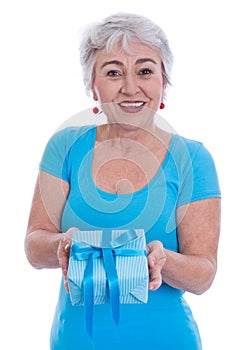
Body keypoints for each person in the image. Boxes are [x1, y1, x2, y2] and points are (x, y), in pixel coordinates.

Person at [25, 12, 221, 350]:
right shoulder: (66, 147)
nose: (130, 87)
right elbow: (33, 245)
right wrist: (62, 244)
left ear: (164, 82)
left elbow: (203, 274)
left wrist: (164, 260)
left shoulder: (192, 158)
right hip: (75, 341)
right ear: (93, 85)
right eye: (113, 72)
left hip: (166, 341)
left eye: (145, 71)